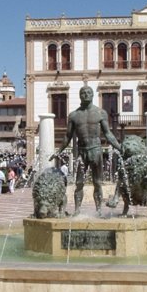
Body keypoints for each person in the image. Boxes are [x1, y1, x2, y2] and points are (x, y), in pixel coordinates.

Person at [51, 85, 122, 216]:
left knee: (98, 183)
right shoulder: (73, 115)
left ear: (93, 95)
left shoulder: (101, 113)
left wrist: (119, 147)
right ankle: (77, 210)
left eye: (89, 92)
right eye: (83, 93)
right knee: (79, 183)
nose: (86, 94)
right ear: (80, 95)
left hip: (96, 150)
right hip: (81, 151)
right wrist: (59, 151)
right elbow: (67, 136)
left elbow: (108, 134)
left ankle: (99, 210)